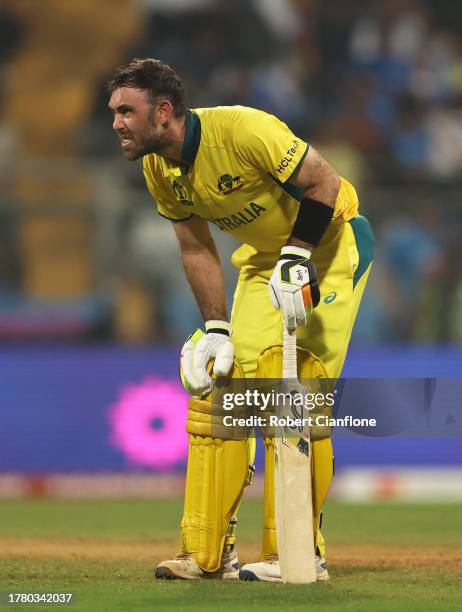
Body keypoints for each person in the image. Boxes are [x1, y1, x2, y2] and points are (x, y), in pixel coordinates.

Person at [108, 58, 374, 582]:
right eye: (113, 111)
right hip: (264, 261)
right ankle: (208, 554)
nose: (116, 122)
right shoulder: (157, 167)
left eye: (126, 111)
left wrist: (298, 254)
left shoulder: (242, 129)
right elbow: (195, 247)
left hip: (331, 246)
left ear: (164, 112)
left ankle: (298, 554)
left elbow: (324, 180)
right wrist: (216, 327)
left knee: (292, 390)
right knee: (219, 387)